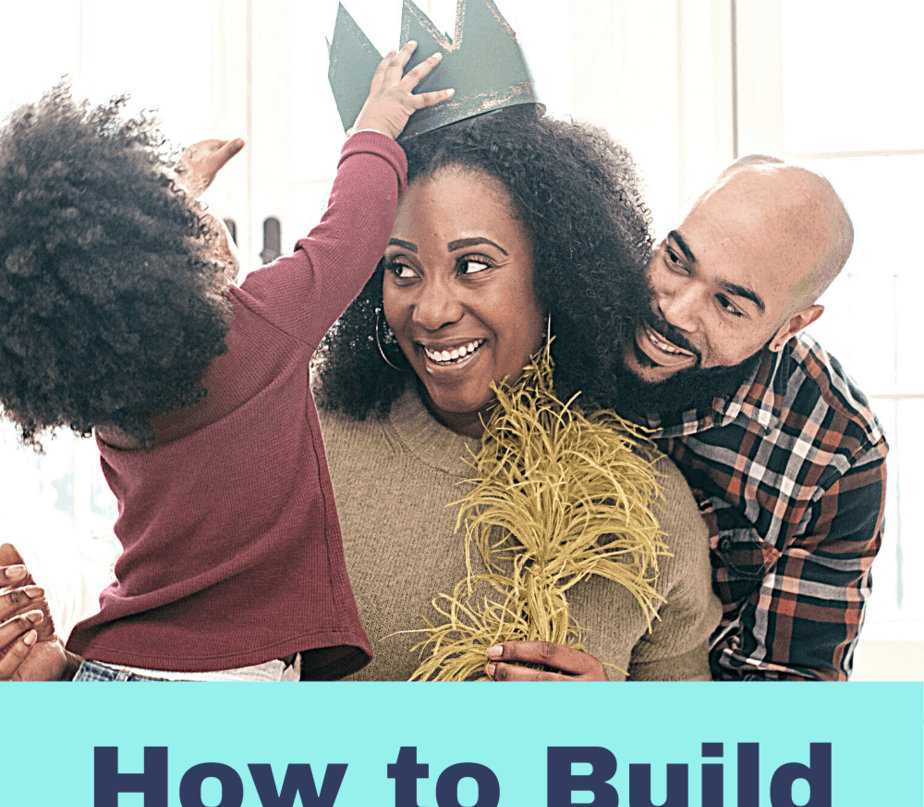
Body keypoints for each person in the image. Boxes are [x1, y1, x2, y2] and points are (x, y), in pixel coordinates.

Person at [0, 105, 722, 683]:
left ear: (561, 273)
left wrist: (610, 741)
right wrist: (51, 682)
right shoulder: (287, 440)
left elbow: (702, 788)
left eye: (472, 266)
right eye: (400, 269)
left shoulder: (649, 507)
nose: (431, 310)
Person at [0, 46, 452, 681]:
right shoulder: (260, 327)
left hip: (116, 670)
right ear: (175, 262)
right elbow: (350, 232)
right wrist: (372, 131)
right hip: (232, 681)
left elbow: (102, 264)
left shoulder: (105, 392)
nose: (218, 228)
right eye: (199, 222)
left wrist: (174, 186)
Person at [611, 156, 888, 681]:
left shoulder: (839, 452)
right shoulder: (571, 295)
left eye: (729, 305)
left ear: (791, 326)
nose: (675, 311)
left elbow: (785, 702)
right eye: (676, 261)